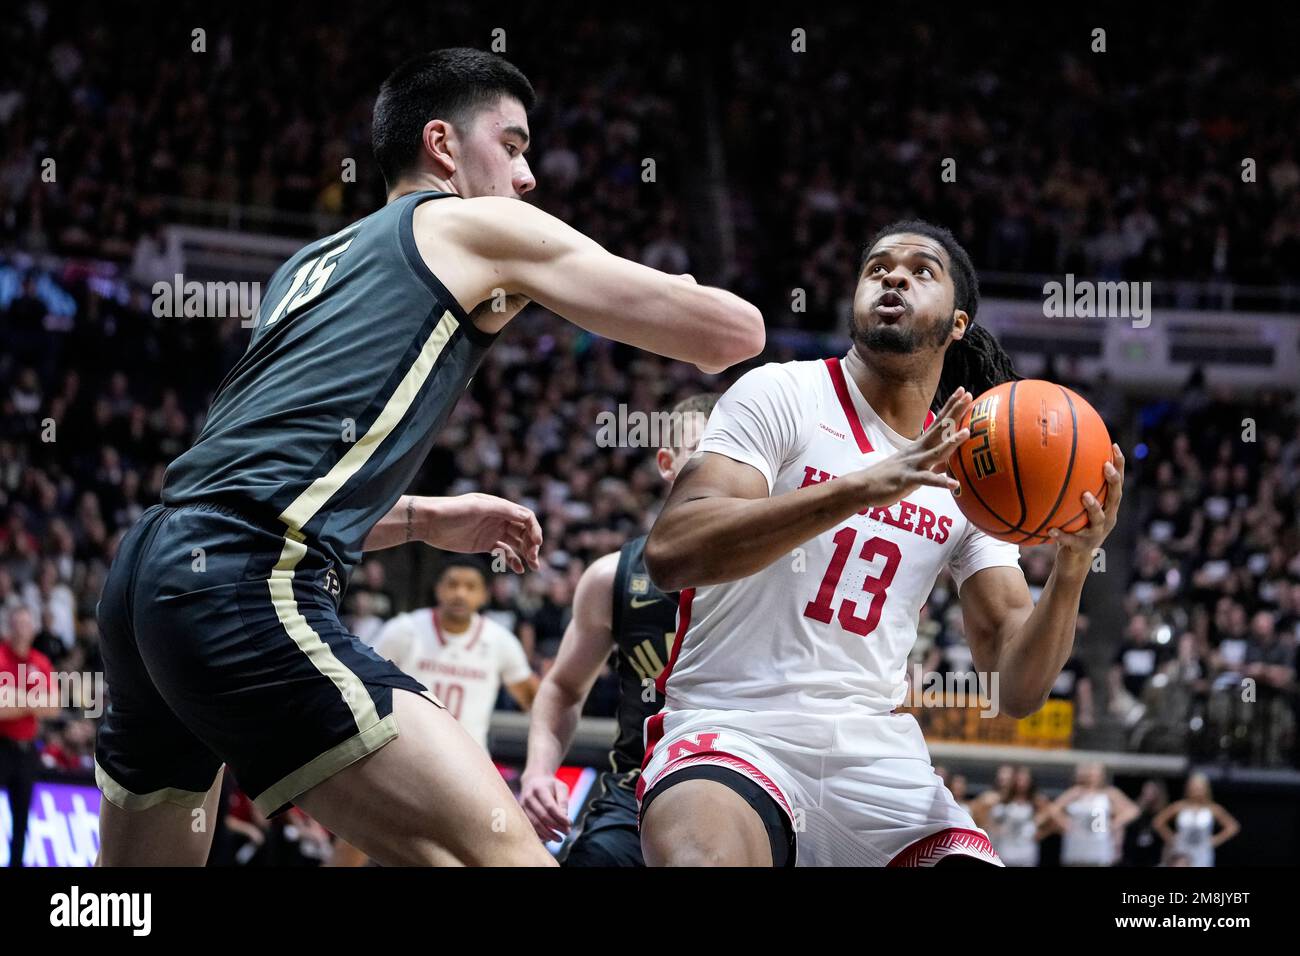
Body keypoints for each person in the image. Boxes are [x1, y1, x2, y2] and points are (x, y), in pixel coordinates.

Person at [92, 47, 764, 868]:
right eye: (512, 147)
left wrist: (420, 516)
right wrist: (688, 290)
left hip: (145, 581)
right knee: (497, 856)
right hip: (243, 581)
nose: (527, 177)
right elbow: (733, 336)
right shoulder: (476, 224)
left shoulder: (308, 265)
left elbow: (253, 475)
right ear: (443, 145)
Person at [637, 220, 1125, 866]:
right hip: (731, 728)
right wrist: (859, 489)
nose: (893, 275)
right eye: (877, 267)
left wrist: (1071, 567)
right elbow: (673, 552)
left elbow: (1013, 688)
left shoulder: (974, 467)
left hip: (874, 753)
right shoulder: (780, 392)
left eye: (921, 270)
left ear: (957, 324)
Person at [520, 394, 715, 865]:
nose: (719, 463)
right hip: (637, 792)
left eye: (734, 447)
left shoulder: (788, 569)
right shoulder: (613, 576)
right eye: (702, 449)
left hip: (754, 787)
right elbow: (563, 688)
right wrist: (539, 773)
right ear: (667, 463)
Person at [374, 557, 538, 751]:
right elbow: (364, 684)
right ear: (438, 589)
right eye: (452, 584)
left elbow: (532, 699)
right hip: (407, 756)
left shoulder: (500, 640)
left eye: (470, 587)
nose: (460, 593)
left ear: (485, 594)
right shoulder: (404, 629)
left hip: (471, 760)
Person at [0, 606, 59, 866]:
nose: (23, 629)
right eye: (18, 623)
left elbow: (54, 706)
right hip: (2, 746)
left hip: (27, 751)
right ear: (9, 627)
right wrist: (34, 701)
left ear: (34, 629)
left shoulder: (40, 662)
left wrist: (17, 700)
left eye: (27, 624)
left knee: (22, 818)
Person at [1049, 762, 1140, 867]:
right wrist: (1066, 823)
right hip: (1078, 840)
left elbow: (1133, 810)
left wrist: (1114, 823)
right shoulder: (1076, 792)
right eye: (1092, 774)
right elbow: (1054, 809)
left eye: (1098, 774)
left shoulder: (1110, 793)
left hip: (1099, 841)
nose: (1095, 777)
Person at [1152, 771, 1240, 867]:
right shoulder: (1180, 806)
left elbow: (1233, 826)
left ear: (1206, 789)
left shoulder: (1212, 808)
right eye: (1194, 787)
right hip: (1182, 851)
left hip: (1202, 852)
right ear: (1188, 788)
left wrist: (1216, 839)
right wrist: (1171, 838)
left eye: (1200, 787)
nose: (1197, 790)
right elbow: (1158, 822)